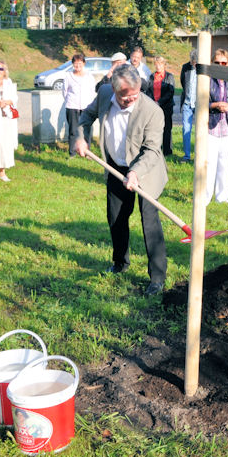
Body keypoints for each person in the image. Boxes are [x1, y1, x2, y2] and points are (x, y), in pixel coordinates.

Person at [74, 65, 168, 296]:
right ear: (115, 91)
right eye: (125, 97)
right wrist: (81, 137)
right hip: (115, 167)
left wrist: (135, 173)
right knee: (116, 218)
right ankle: (120, 263)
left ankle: (157, 278)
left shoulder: (153, 111)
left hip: (145, 172)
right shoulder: (105, 94)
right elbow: (85, 116)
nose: (130, 100)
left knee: (149, 222)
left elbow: (153, 150)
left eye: (135, 96)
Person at [204, 49, 228, 202]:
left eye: (224, 63)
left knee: (225, 163)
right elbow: (200, 101)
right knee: (209, 163)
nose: (220, 65)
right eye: (217, 62)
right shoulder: (207, 79)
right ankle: (205, 196)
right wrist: (215, 105)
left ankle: (222, 196)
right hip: (211, 126)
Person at [63, 53, 96, 157]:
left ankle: (87, 153)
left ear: (84, 64)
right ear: (73, 64)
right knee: (73, 131)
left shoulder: (89, 76)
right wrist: (71, 100)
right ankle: (72, 153)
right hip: (72, 106)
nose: (78, 67)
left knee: (86, 130)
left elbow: (92, 91)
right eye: (75, 65)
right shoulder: (68, 76)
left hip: (86, 107)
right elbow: (64, 91)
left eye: (80, 64)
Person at [144, 56, 176, 157]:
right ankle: (156, 149)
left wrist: (160, 102)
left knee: (167, 128)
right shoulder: (151, 76)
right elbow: (148, 90)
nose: (158, 66)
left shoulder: (169, 76)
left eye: (160, 64)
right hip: (154, 106)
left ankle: (167, 151)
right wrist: (153, 102)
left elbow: (171, 92)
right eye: (156, 64)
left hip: (166, 106)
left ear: (164, 65)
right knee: (155, 129)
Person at [180, 49, 197, 162]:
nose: (192, 64)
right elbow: (183, 82)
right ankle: (187, 156)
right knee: (186, 129)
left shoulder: (205, 68)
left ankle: (201, 155)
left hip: (200, 103)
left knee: (202, 129)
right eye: (191, 61)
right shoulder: (185, 67)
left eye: (194, 62)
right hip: (187, 103)